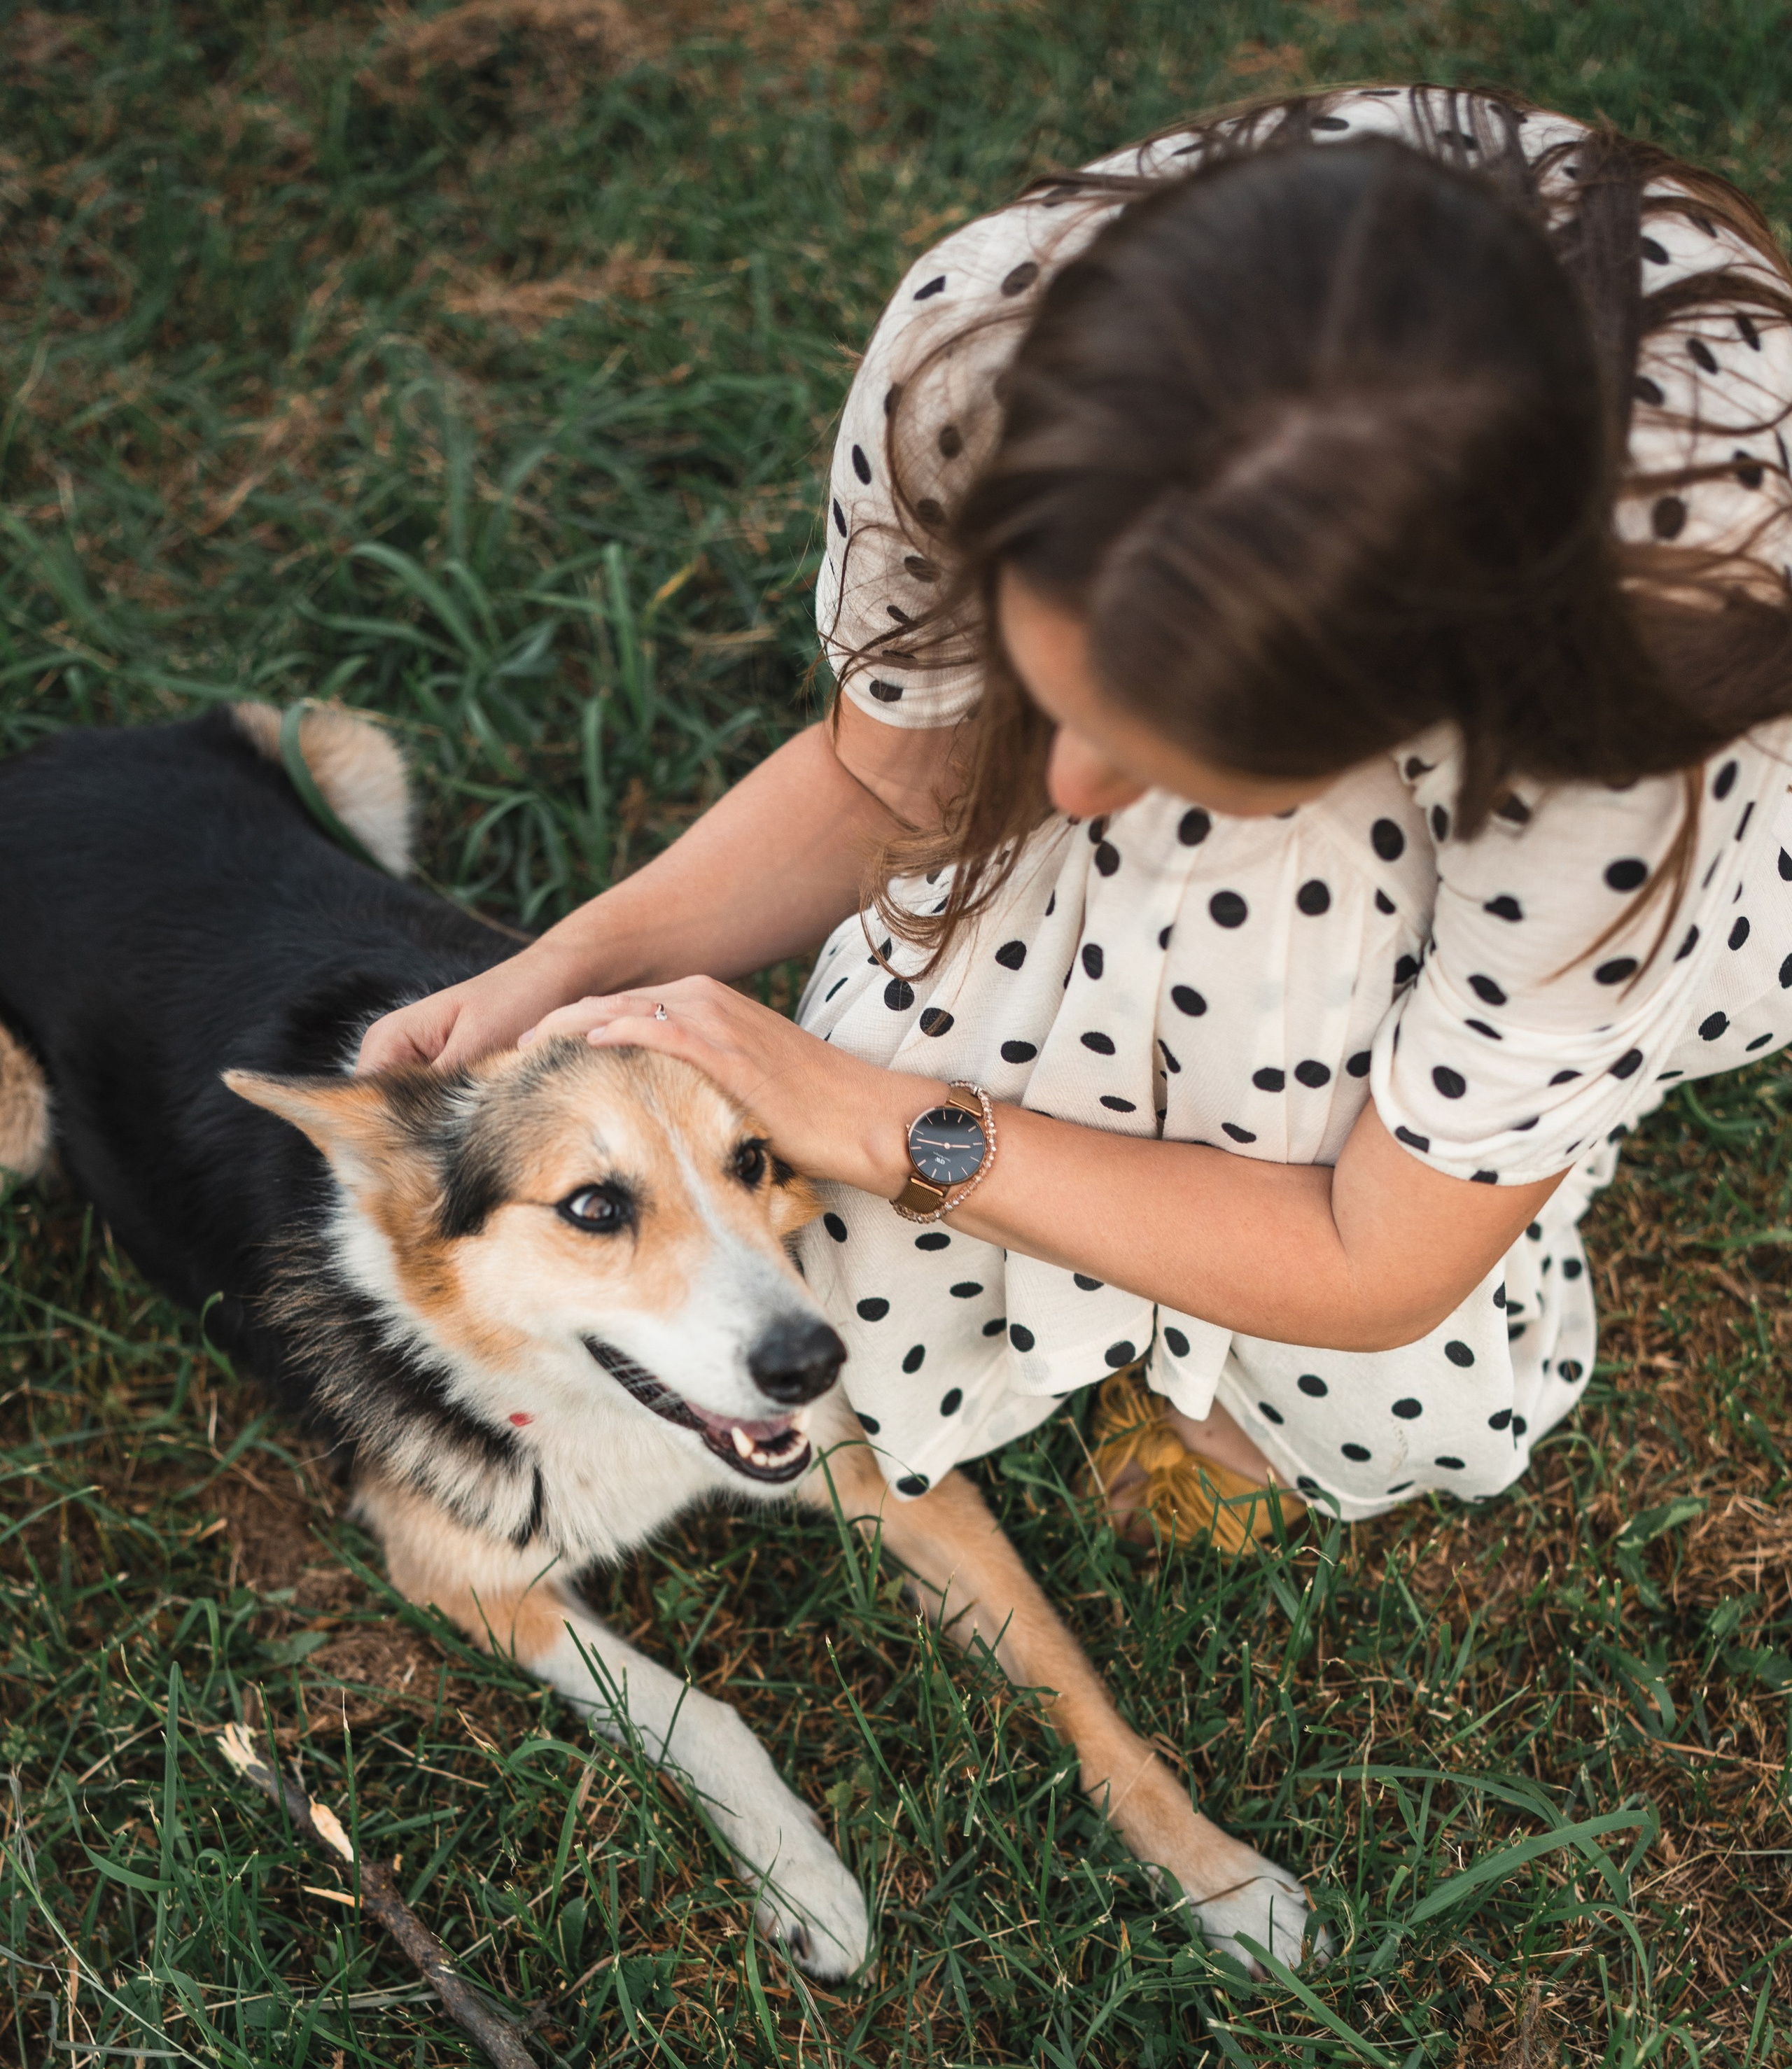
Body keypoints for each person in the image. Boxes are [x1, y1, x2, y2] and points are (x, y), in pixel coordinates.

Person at [360, 85, 1792, 1555]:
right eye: (1047, 691)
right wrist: (565, 964)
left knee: (1324, 1191)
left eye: (1170, 755)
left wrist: (890, 1126)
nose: (1068, 797)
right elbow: (893, 778)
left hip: (1582, 772)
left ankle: (1246, 1372)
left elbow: (1377, 1261)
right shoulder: (978, 359)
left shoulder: (1631, 738)